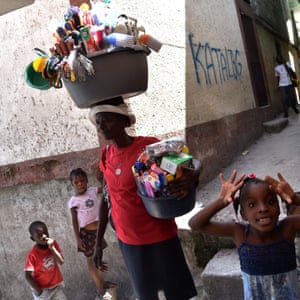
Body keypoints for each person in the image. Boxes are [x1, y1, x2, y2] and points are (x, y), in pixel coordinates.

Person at [89, 96, 199, 300]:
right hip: (129, 240)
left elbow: (189, 168)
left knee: (177, 294)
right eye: (98, 122)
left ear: (124, 121)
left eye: (107, 119)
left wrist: (192, 178)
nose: (101, 126)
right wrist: (98, 244)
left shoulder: (149, 149)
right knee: (147, 296)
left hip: (160, 236)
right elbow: (107, 198)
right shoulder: (106, 155)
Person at [189, 170, 300, 299]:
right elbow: (195, 224)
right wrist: (221, 202)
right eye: (252, 205)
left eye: (270, 202)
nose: (263, 208)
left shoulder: (287, 227)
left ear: (279, 208)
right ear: (243, 214)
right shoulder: (239, 233)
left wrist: (295, 198)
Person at [68, 168, 112, 300]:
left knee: (98, 259)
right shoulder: (74, 201)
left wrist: (102, 175)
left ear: (87, 181)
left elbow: (106, 188)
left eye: (82, 181)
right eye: (76, 182)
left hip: (97, 232)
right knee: (91, 262)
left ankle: (101, 285)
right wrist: (78, 239)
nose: (80, 184)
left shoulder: (92, 190)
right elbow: (75, 222)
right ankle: (100, 291)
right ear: (72, 185)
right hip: (86, 234)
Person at [24, 220, 67, 300]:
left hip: (56, 286)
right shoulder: (33, 254)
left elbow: (61, 262)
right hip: (42, 290)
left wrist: (52, 249)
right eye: (40, 235)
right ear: (33, 238)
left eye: (45, 233)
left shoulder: (53, 244)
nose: (44, 236)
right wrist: (40, 291)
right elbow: (27, 276)